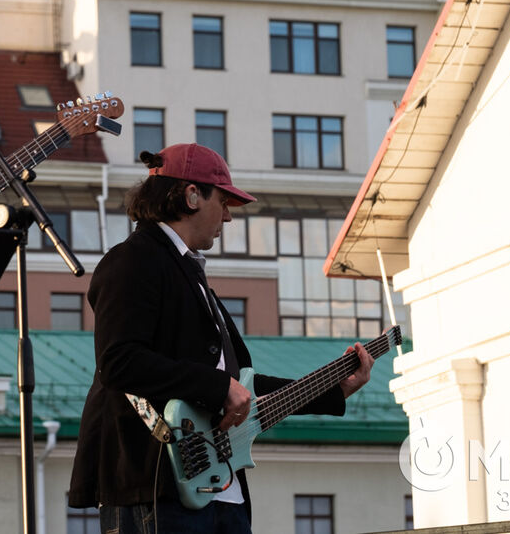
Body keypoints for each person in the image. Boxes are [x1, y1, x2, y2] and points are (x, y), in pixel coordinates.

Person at [68, 143, 375, 533]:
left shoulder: (190, 275)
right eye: (224, 202)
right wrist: (218, 387)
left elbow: (238, 384)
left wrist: (332, 389)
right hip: (157, 483)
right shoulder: (133, 259)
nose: (228, 217)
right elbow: (119, 361)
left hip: (219, 491)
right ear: (191, 196)